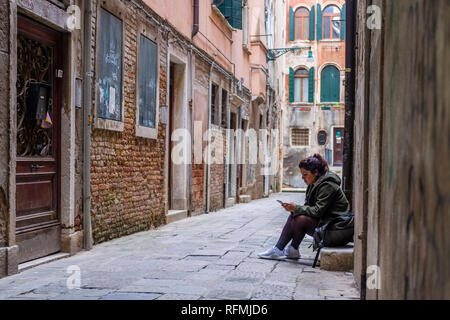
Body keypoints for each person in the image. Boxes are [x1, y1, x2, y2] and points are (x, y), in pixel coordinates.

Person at [258, 153, 350, 260]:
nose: (303, 178)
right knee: (295, 215)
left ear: (315, 172)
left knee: (300, 218)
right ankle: (290, 249)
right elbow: (307, 208)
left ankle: (282, 249)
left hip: (337, 230)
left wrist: (296, 208)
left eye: (305, 174)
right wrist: (294, 209)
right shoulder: (313, 184)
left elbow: (317, 211)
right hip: (327, 224)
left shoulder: (328, 185)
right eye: (302, 175)